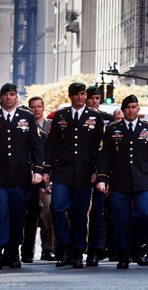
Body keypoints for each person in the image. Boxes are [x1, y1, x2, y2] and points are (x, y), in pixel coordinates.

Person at [0, 83, 45, 269]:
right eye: (5, 94)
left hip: (19, 176)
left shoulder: (27, 117)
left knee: (16, 215)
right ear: (1, 98)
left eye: (12, 94)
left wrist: (38, 170)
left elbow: (36, 146)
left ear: (17, 98)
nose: (9, 97)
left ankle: (13, 251)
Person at [96, 94, 148, 269]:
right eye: (128, 107)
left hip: (143, 180)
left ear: (138, 109)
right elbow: (105, 156)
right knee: (120, 218)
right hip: (120, 180)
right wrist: (102, 178)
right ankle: (123, 253)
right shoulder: (112, 129)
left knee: (143, 213)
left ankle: (137, 244)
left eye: (134, 107)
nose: (131, 110)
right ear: (123, 110)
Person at [45, 82, 105, 268]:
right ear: (70, 96)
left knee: (80, 214)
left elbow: (100, 148)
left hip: (85, 173)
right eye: (77, 94)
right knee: (56, 208)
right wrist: (47, 169)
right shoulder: (61, 116)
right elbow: (52, 144)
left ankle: (78, 252)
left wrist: (99, 172)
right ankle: (64, 247)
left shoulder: (95, 117)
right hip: (63, 172)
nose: (80, 97)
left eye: (82, 94)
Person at [22, 96, 53, 264]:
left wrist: (45, 184)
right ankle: (19, 249)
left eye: (39, 107)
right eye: (32, 107)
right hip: (19, 180)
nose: (36, 110)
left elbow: (45, 158)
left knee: (43, 213)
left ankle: (44, 249)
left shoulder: (45, 131)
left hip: (39, 180)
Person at [83, 86, 107, 266]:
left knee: (99, 214)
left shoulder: (106, 120)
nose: (95, 101)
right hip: (81, 173)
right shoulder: (80, 118)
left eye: (98, 98)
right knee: (80, 213)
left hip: (102, 173)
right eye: (92, 98)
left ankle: (96, 249)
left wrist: (102, 175)